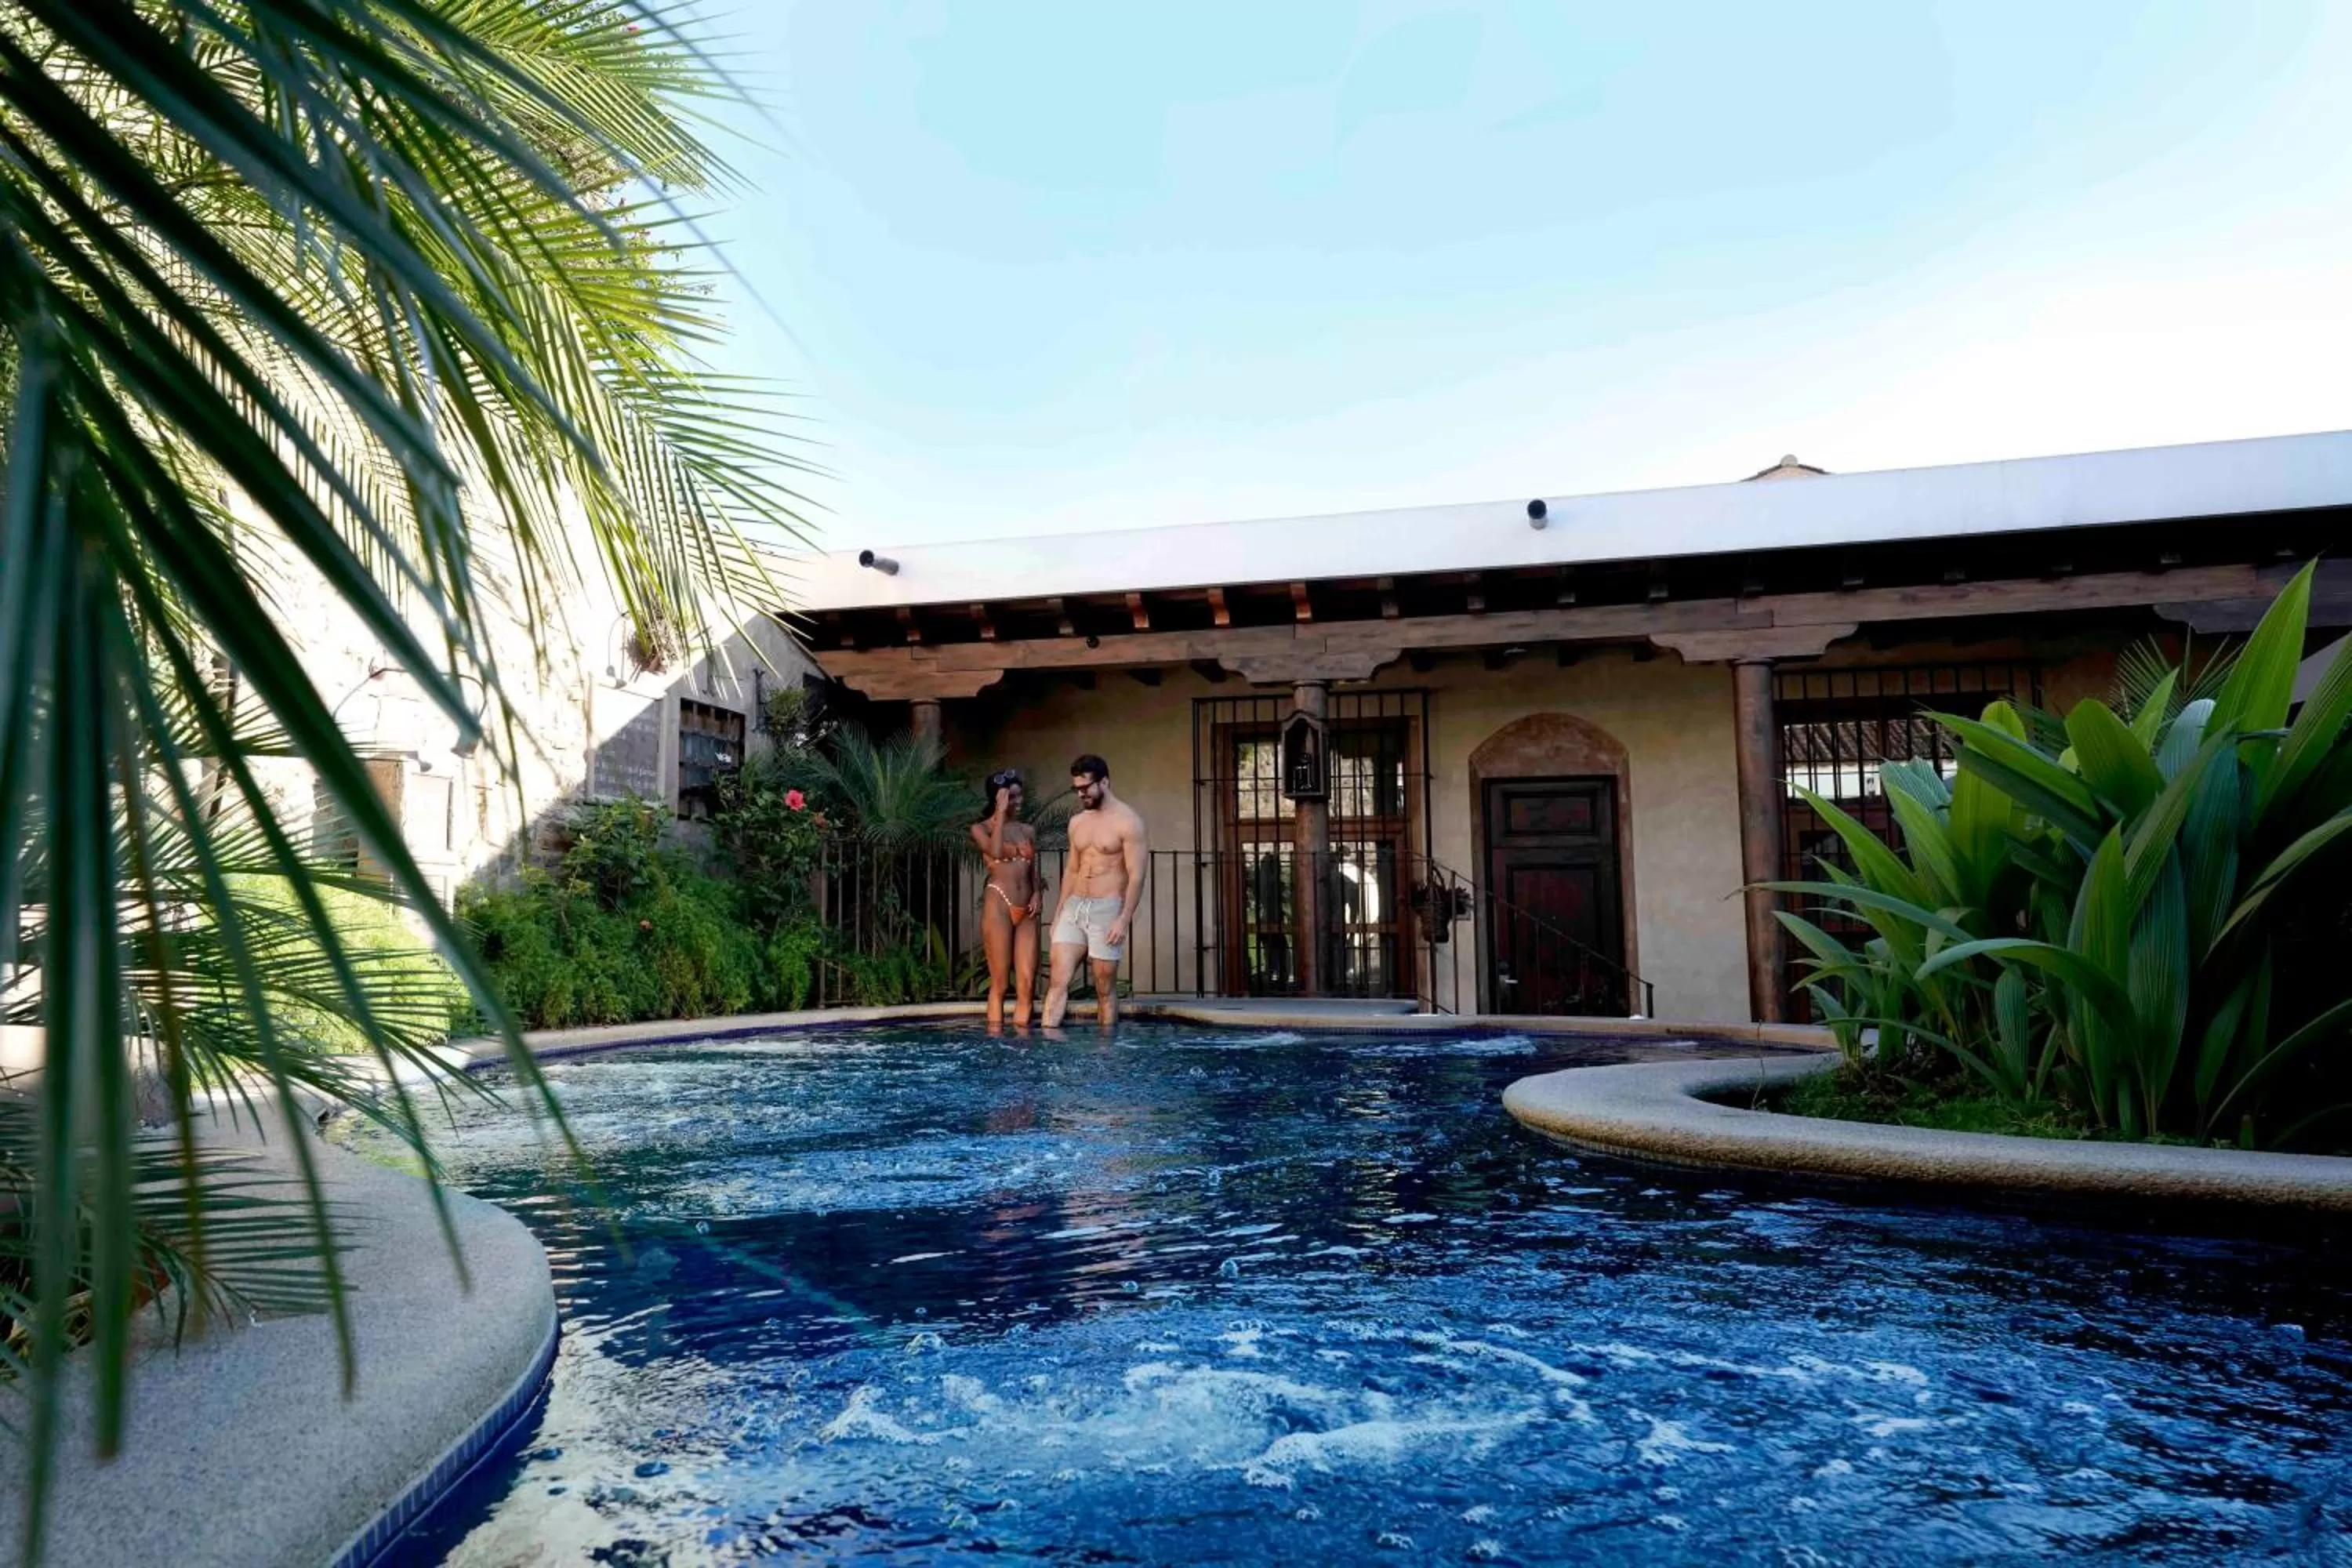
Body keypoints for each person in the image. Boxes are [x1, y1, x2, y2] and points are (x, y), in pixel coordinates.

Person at [1043, 753, 1147, 1028]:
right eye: (1076, 789)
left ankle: (1106, 1049)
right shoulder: (1077, 822)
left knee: (1104, 988)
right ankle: (1049, 1046)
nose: (1081, 794)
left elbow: (1137, 876)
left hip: (1107, 908)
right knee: (1057, 981)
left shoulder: (1128, 822)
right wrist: (1058, 913)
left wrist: (1123, 919)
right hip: (1074, 907)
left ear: (1105, 783)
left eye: (1086, 788)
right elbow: (1072, 870)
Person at [969, 768, 1041, 1029]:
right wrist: (1000, 813)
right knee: (1000, 983)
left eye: (1020, 796)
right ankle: (996, 1042)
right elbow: (997, 851)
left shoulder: (1027, 830)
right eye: (1012, 797)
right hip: (999, 904)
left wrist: (1037, 892)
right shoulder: (980, 829)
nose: (1019, 802)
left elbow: (1033, 869)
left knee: (1027, 983)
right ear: (998, 799)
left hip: (1027, 907)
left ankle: (1023, 1043)